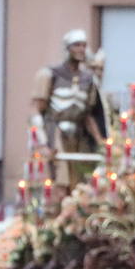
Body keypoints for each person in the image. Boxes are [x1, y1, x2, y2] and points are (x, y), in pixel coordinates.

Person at [31, 28, 108, 184]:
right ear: (67, 48)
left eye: (84, 45)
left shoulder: (87, 79)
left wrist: (101, 142)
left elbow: (87, 115)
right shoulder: (49, 74)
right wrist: (43, 142)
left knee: (81, 181)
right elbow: (38, 111)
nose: (81, 49)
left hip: (78, 136)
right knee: (60, 180)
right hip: (55, 131)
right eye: (77, 45)